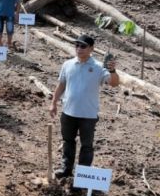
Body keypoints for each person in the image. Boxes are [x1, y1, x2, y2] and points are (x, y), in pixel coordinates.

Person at [49, 34, 119, 177]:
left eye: (83, 46)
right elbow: (61, 84)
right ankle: (66, 169)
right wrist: (53, 103)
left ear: (91, 49)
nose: (79, 49)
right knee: (68, 141)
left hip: (88, 114)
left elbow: (114, 83)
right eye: (77, 45)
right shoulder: (67, 64)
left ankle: (82, 176)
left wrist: (112, 70)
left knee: (86, 146)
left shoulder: (99, 67)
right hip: (68, 112)